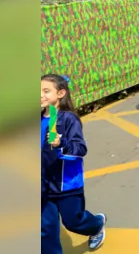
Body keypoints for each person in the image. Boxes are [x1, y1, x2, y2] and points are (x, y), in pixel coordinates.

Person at [41, 74, 107, 253]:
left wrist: (60, 143)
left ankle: (97, 225)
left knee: (74, 221)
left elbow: (80, 149)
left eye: (46, 91)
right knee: (45, 231)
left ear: (61, 93)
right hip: (42, 186)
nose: (40, 95)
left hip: (66, 184)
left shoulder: (68, 119)